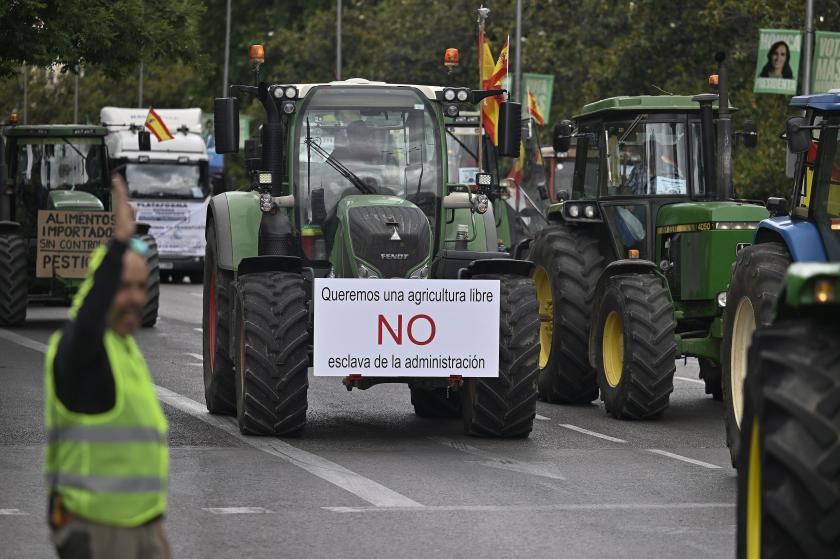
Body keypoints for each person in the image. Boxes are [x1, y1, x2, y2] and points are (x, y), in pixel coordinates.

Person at [44, 173, 170, 559]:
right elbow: (88, 318)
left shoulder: (123, 348)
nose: (136, 297)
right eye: (123, 286)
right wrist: (117, 246)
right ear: (102, 287)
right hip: (95, 531)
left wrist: (154, 526)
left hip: (139, 525)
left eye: (140, 285)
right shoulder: (81, 348)